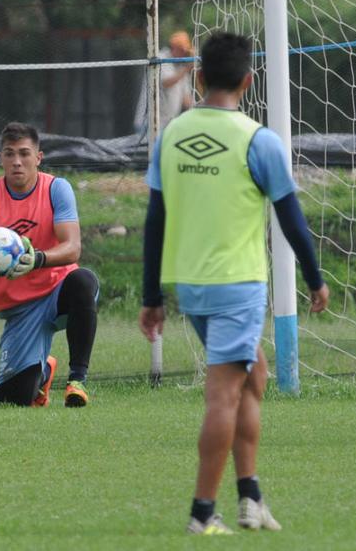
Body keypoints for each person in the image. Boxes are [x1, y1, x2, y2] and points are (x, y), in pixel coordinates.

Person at [138, 31, 329, 535]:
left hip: (191, 287)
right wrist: (315, 278)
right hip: (237, 286)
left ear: (198, 77)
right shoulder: (257, 139)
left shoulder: (171, 136)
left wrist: (151, 296)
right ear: (248, 80)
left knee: (255, 376)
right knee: (222, 395)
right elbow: (290, 218)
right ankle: (204, 512)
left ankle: (251, 498)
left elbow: (155, 220)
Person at [0, 122, 99, 408]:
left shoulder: (57, 188)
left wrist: (37, 260)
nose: (17, 161)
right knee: (13, 400)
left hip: (57, 290)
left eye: (24, 153)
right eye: (9, 154)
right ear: (1, 158)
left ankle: (77, 380)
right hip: (19, 308)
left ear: (38, 157)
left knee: (84, 281)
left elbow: (73, 247)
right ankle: (42, 371)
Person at [134, 30, 195, 134]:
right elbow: (166, 82)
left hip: (167, 125)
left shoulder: (181, 68)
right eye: (182, 50)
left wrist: (202, 107)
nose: (185, 54)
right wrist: (186, 69)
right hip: (148, 124)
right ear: (174, 48)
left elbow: (186, 100)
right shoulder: (160, 58)